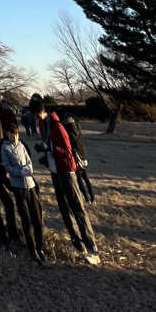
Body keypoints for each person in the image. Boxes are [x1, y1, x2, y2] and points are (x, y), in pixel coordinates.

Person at [30, 95, 100, 263]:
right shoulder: (42, 125)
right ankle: (78, 245)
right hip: (55, 171)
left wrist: (49, 150)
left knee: (77, 208)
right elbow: (50, 147)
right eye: (35, 114)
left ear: (43, 110)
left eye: (37, 113)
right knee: (64, 210)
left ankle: (93, 249)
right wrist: (45, 156)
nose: (36, 116)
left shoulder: (57, 125)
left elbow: (67, 152)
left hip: (67, 171)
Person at [1, 122, 46, 265]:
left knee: (37, 218)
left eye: (15, 134)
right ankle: (32, 251)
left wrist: (29, 169)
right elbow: (8, 168)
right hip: (18, 187)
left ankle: (40, 247)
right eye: (11, 134)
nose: (13, 136)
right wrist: (20, 172)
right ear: (7, 134)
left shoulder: (21, 145)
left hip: (31, 185)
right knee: (26, 220)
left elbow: (29, 160)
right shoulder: (5, 148)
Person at [62, 113, 96, 204]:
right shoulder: (77, 128)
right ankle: (92, 198)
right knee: (86, 178)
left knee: (79, 179)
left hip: (76, 158)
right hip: (83, 156)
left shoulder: (68, 132)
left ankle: (87, 198)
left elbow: (70, 146)